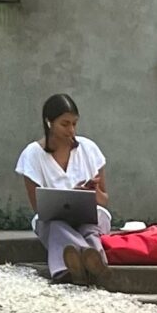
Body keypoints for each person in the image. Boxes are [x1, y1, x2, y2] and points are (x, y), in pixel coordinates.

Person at [16, 94, 111, 284]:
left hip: (90, 215)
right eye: (65, 124)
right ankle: (94, 261)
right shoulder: (32, 155)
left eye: (74, 123)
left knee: (90, 227)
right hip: (54, 219)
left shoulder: (89, 149)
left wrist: (92, 193)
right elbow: (38, 207)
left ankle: (73, 265)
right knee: (56, 226)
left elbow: (104, 199)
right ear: (49, 122)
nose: (71, 130)